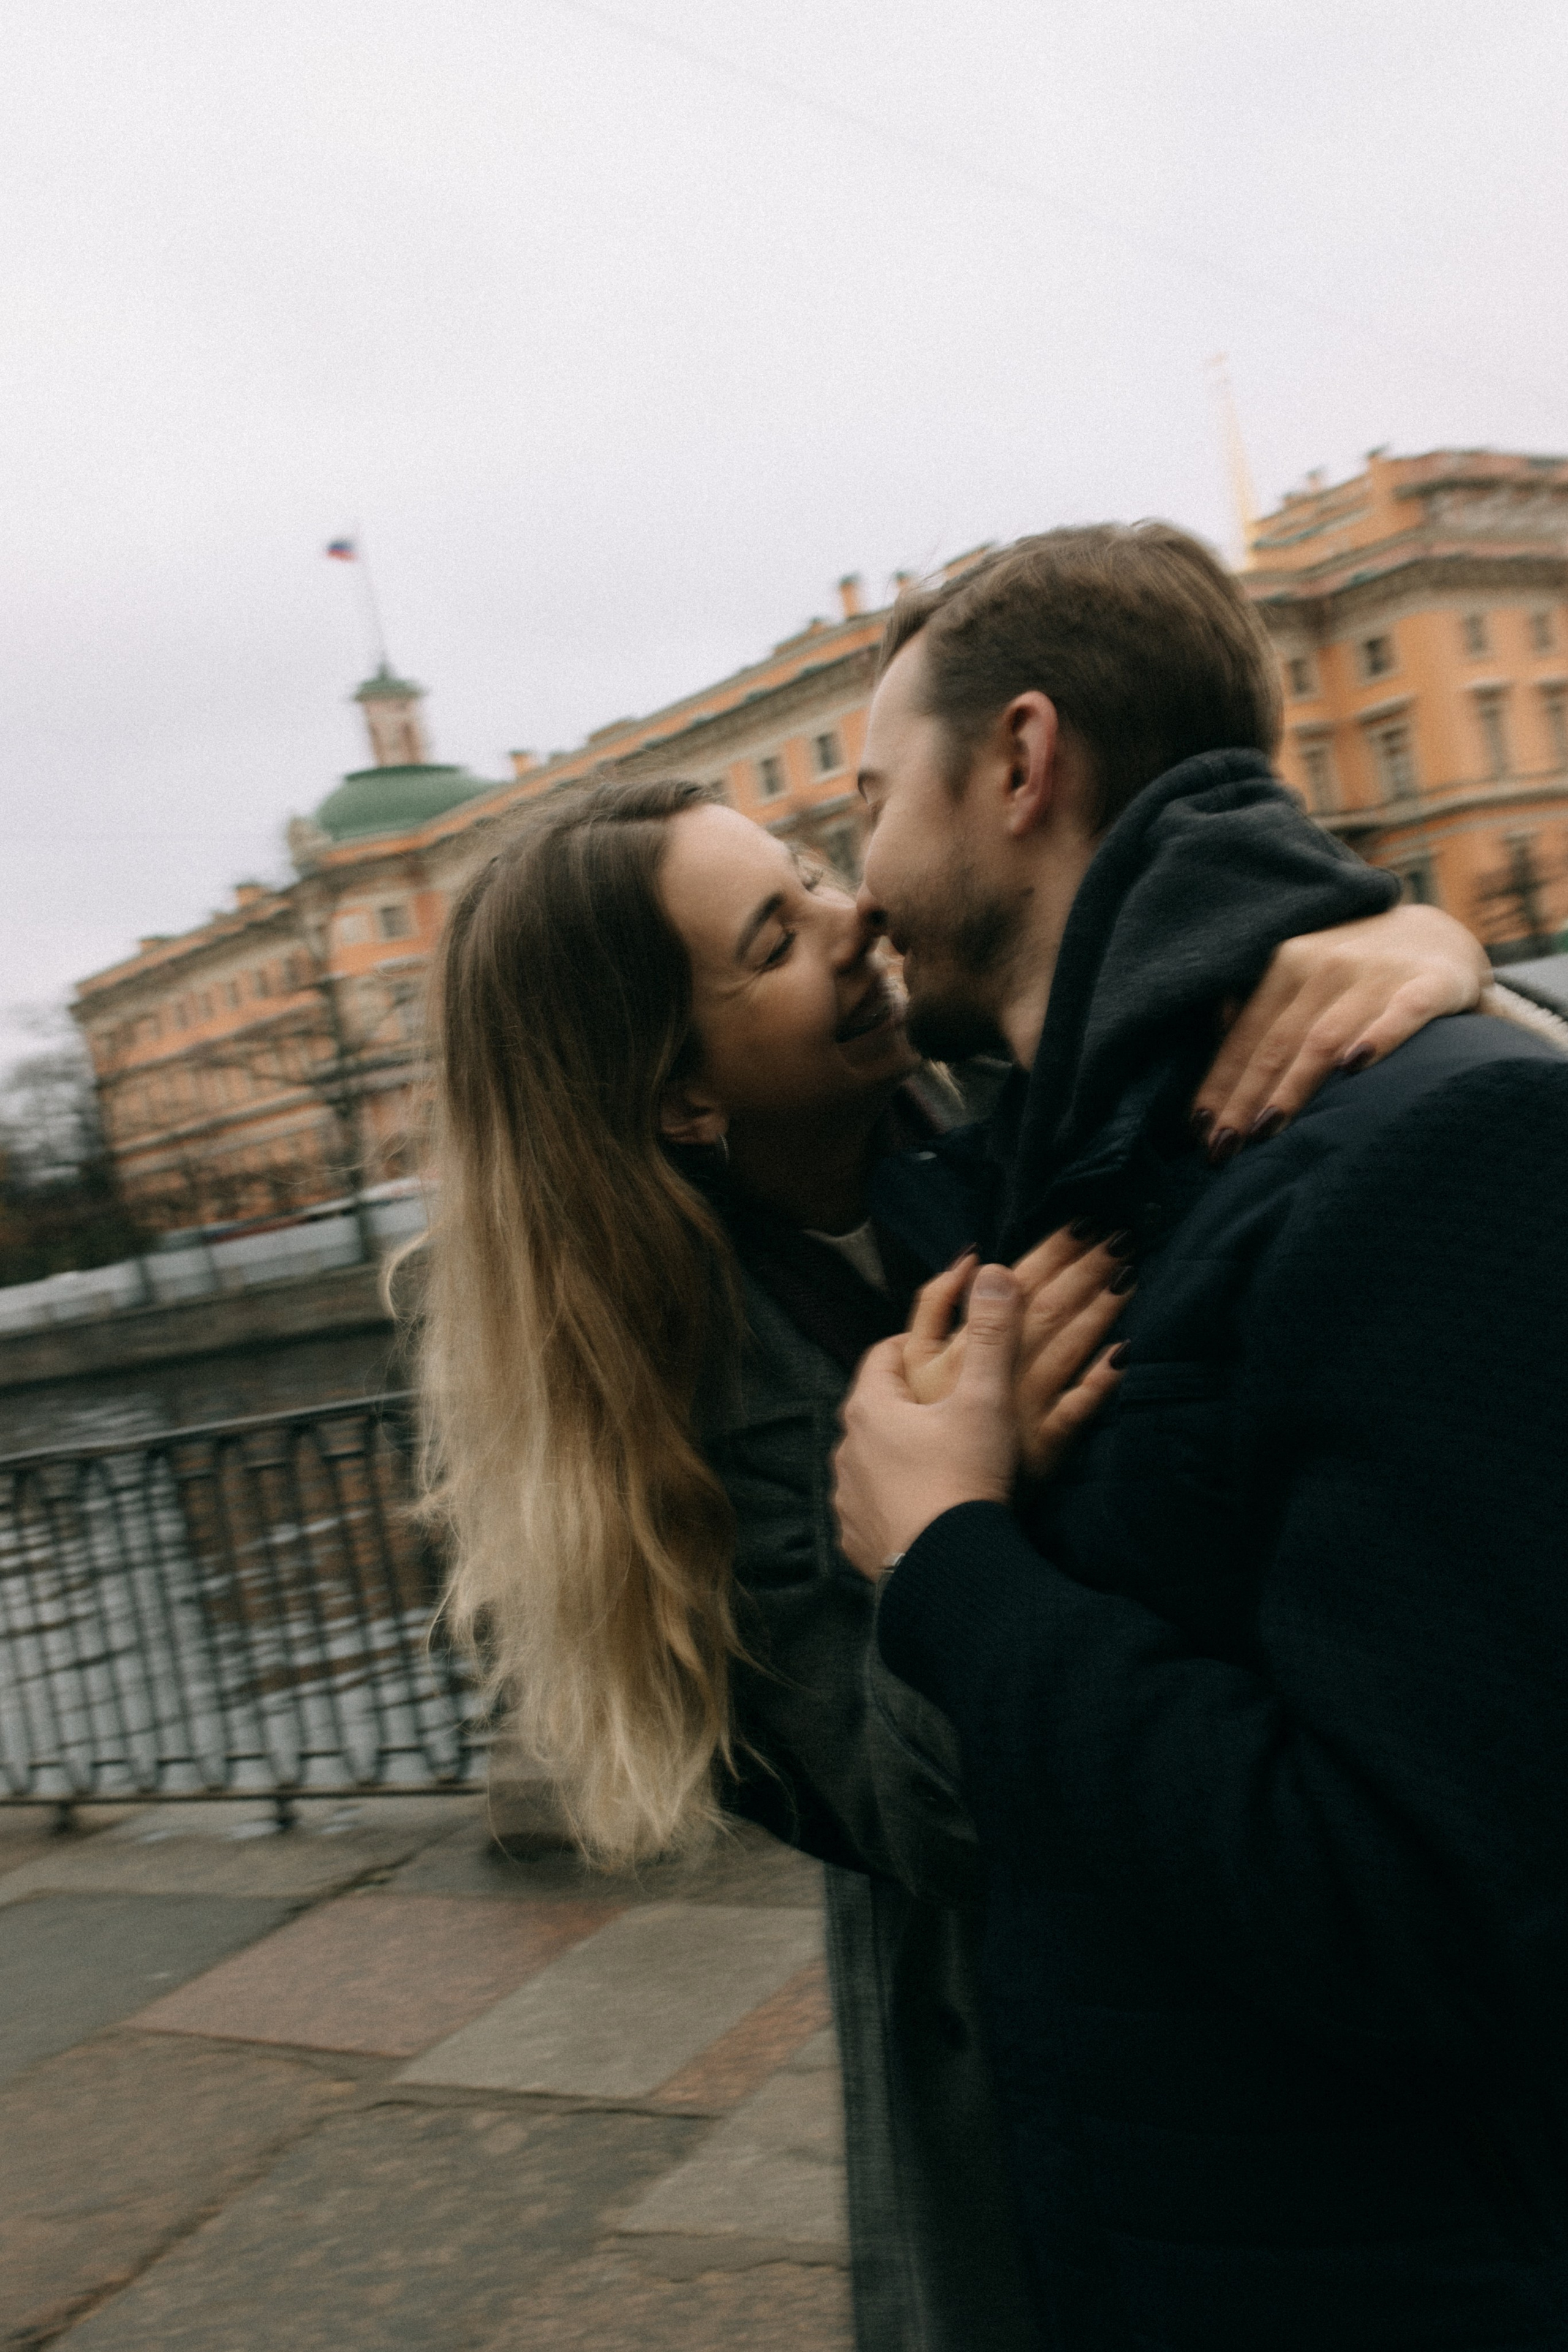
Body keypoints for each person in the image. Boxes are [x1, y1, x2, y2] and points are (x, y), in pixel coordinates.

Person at [417, 769, 1491, 2351]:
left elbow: (1346, 1069)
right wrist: (961, 1515)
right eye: (775, 940)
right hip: (1028, 2037)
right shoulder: (668, 1406)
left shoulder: (1004, 1101)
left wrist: (1429, 953)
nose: (859, 921)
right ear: (681, 1099)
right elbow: (904, 1812)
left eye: (811, 875)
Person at [831, 522, 1568, 2350]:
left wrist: (951, 1562)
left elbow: (1409, 1903)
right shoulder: (1089, 1153)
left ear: (1017, 761)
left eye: (861, 806)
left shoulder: (1428, 1139)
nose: (851, 892)